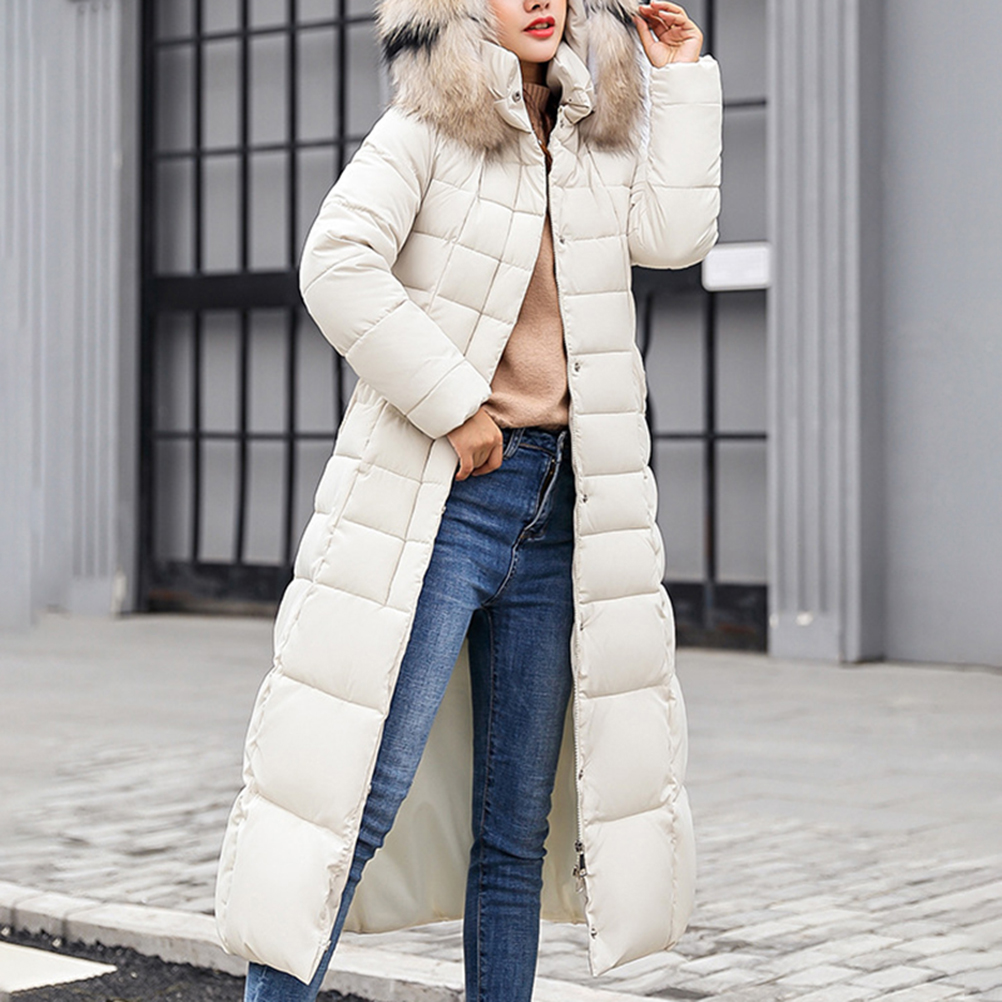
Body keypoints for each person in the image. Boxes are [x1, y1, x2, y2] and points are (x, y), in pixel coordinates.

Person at [213, 1, 722, 1000]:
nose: (539, 2)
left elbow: (674, 236)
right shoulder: (426, 128)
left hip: (563, 509)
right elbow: (336, 264)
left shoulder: (592, 134)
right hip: (448, 502)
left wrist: (679, 81)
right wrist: (455, 406)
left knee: (516, 832)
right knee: (353, 795)